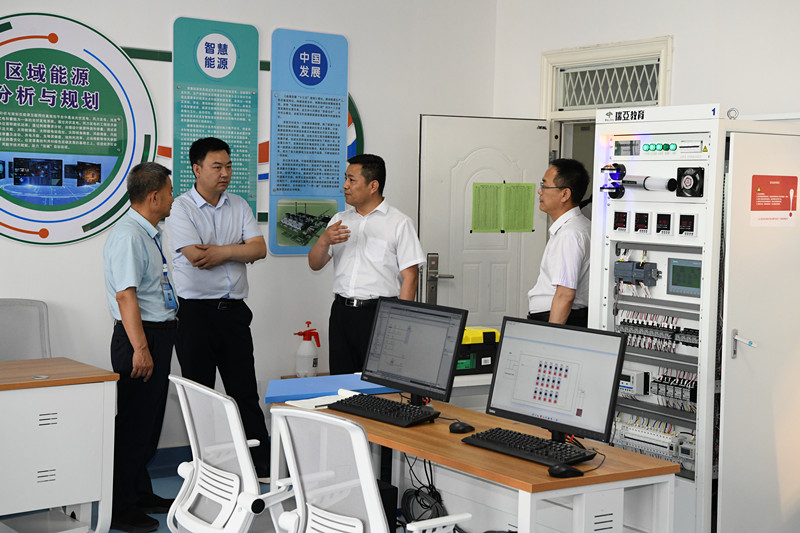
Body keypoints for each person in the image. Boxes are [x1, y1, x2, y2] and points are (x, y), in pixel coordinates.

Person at [165, 137, 270, 477]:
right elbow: (197, 257)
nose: (225, 173)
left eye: (228, 166)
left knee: (245, 391)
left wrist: (221, 251)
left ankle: (261, 463)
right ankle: (208, 469)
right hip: (194, 315)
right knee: (201, 396)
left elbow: (259, 249)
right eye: (217, 167)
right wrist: (238, 249)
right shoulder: (180, 208)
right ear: (197, 170)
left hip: (234, 313)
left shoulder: (238, 205)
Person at [103, 162, 177, 533]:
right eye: (170, 192)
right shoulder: (129, 236)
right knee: (133, 425)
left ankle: (140, 493)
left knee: (147, 425)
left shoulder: (148, 233)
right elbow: (125, 296)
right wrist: (141, 349)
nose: (173, 198)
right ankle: (120, 506)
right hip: (140, 338)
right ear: (154, 196)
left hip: (155, 335)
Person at [308, 154, 425, 374]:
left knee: (379, 381)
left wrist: (399, 323)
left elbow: (410, 278)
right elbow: (314, 264)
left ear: (373, 186)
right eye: (345, 178)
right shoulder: (339, 220)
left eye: (352, 180)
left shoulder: (399, 223)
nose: (345, 185)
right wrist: (324, 240)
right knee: (341, 380)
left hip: (380, 315)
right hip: (341, 313)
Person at [527, 158, 591, 327]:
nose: (540, 191)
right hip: (563, 318)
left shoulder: (570, 234)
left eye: (545, 186)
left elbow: (565, 295)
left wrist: (552, 335)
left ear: (565, 194)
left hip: (559, 319)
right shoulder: (579, 226)